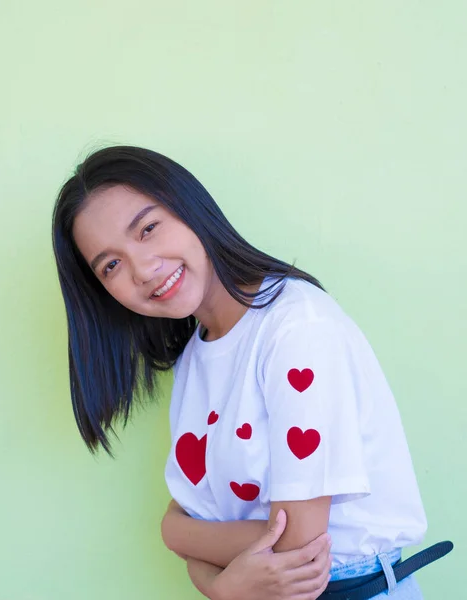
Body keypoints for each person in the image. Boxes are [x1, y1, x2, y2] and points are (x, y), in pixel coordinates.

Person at [51, 145, 451, 599]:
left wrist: (173, 533)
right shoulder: (194, 359)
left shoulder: (296, 327)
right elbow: (237, 543)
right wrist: (221, 584)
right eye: (111, 265)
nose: (142, 270)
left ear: (190, 208)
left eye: (148, 228)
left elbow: (299, 545)